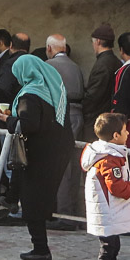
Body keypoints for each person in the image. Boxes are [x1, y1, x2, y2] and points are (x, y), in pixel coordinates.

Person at [0, 55, 73, 260]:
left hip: (39, 154)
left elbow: (28, 125)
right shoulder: (54, 91)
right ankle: (11, 198)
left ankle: (41, 249)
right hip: (58, 150)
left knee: (32, 201)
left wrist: (7, 119)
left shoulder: (29, 95)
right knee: (39, 197)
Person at [81, 112, 130, 260]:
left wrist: (128, 180)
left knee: (113, 246)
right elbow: (116, 188)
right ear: (115, 136)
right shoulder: (109, 158)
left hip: (108, 210)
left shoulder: (107, 152)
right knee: (108, 248)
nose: (128, 133)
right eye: (125, 131)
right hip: (106, 212)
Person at [45, 34, 86, 229]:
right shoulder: (76, 67)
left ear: (49, 49)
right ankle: (74, 213)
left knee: (60, 165)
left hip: (60, 115)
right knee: (74, 166)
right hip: (78, 116)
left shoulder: (49, 66)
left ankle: (64, 215)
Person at [81, 24, 122, 141]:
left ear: (98, 41)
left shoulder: (102, 64)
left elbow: (94, 96)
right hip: (110, 118)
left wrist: (84, 108)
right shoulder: (116, 61)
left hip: (97, 120)